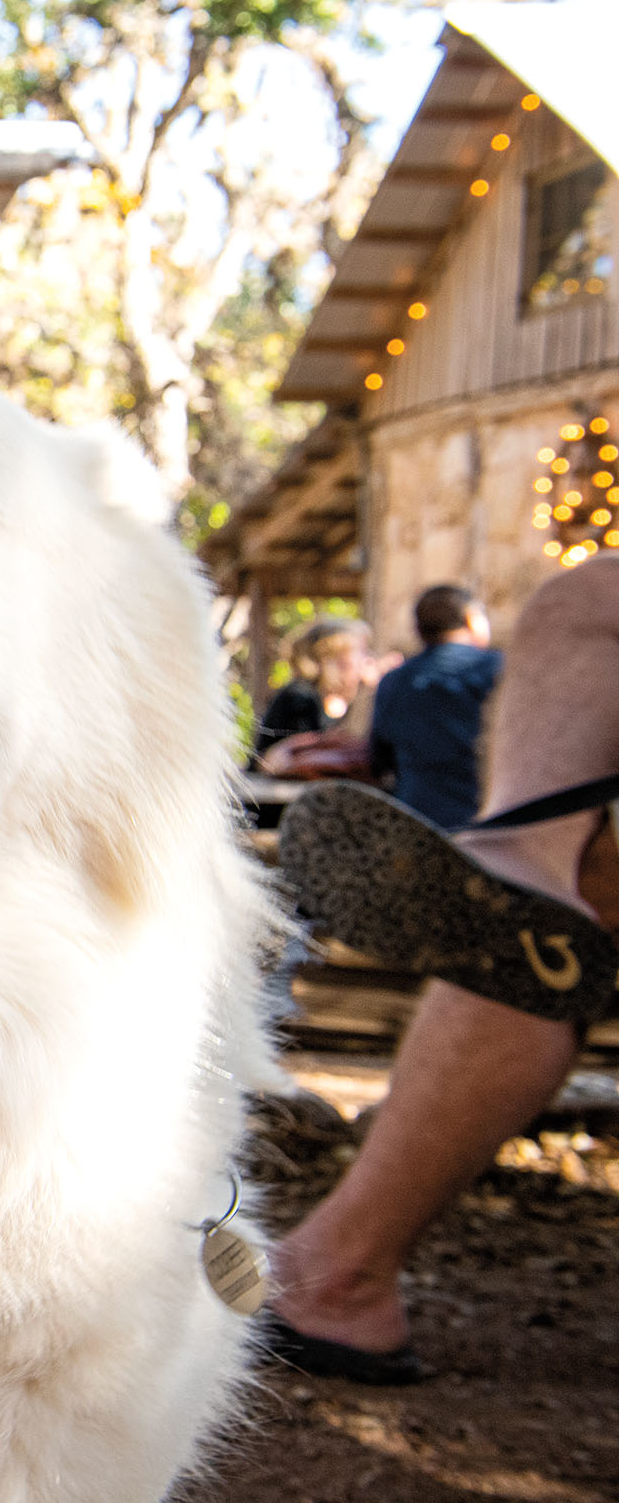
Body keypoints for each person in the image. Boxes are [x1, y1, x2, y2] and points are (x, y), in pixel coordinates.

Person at [267, 556, 619, 1383]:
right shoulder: (476, 668)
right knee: (586, 603)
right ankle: (525, 870)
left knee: (585, 607)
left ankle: (522, 868)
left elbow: (376, 755)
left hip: (465, 822)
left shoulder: (396, 688)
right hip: (517, 833)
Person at [368, 584, 502, 828]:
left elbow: (379, 759)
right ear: (472, 620)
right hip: (489, 823)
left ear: (419, 630)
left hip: (418, 823)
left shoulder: (395, 681)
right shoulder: (499, 672)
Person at [251, 616, 374, 778]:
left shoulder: (346, 700)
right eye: (362, 652)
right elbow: (288, 758)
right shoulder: (299, 697)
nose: (368, 660)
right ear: (335, 659)